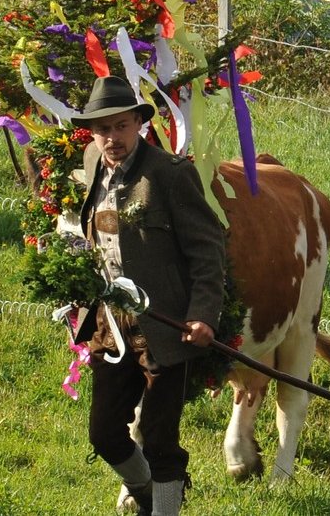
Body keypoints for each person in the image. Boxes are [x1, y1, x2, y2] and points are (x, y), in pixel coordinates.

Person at [73, 76, 226, 516]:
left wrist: (203, 315)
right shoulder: (93, 163)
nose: (112, 138)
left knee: (159, 438)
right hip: (109, 324)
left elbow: (207, 250)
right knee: (104, 434)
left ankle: (165, 509)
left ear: (139, 123)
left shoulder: (170, 174)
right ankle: (145, 492)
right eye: (103, 129)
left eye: (121, 126)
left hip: (165, 327)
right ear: (92, 133)